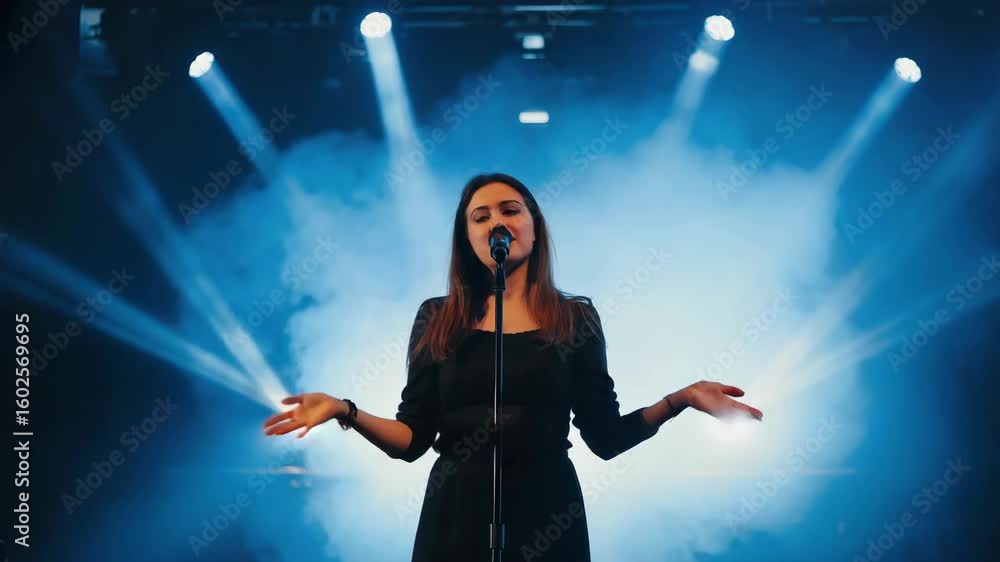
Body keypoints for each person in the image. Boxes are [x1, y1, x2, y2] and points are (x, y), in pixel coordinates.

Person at [262, 173, 763, 561]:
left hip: (547, 511)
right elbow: (413, 439)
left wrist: (680, 400)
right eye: (480, 216)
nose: (496, 223)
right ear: (467, 238)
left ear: (534, 225)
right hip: (455, 513)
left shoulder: (574, 318)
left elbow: (605, 438)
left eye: (510, 210)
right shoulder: (438, 318)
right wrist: (344, 410)